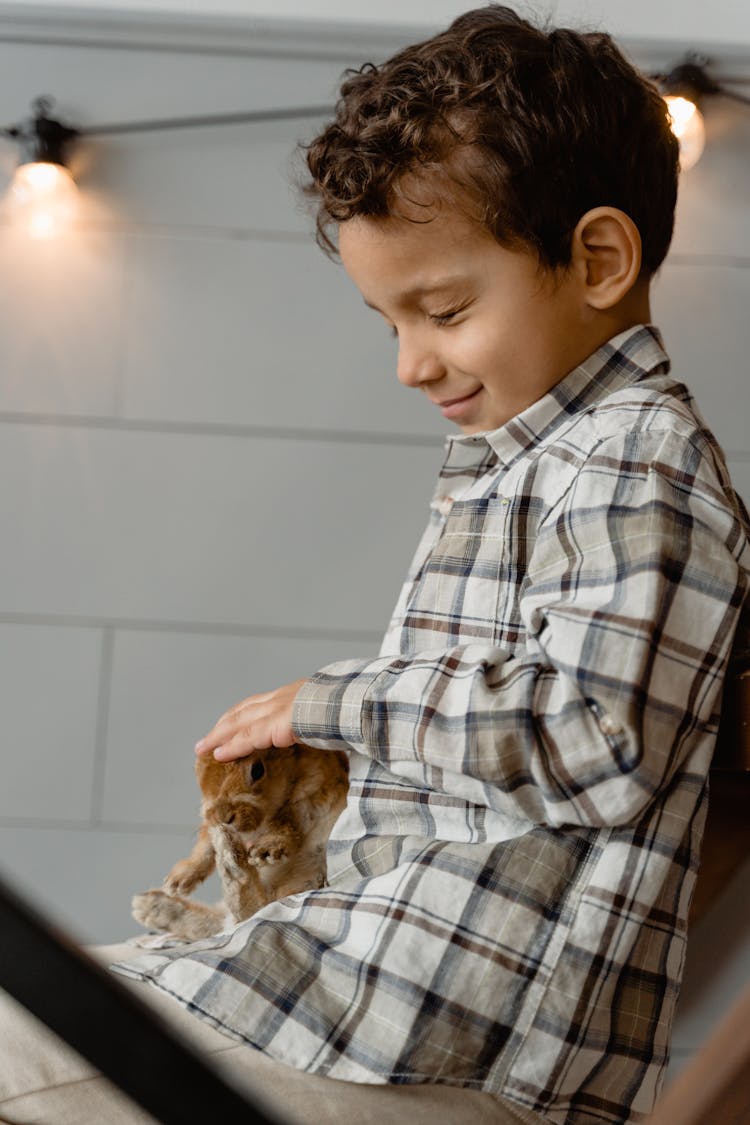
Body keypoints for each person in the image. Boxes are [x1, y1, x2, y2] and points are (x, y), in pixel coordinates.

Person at [2, 6, 748, 1125]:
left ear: (597, 258)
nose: (410, 363)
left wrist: (341, 702)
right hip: (373, 1005)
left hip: (436, 1051)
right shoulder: (539, 463)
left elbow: (598, 736)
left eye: (442, 309)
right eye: (386, 322)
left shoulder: (634, 454)